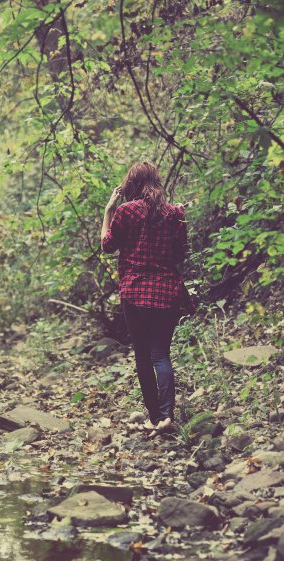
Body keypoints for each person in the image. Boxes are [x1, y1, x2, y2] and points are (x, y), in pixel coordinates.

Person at [100, 161, 196, 437]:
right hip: (167, 293)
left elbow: (107, 246)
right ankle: (167, 416)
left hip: (135, 291)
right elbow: (180, 256)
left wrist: (108, 209)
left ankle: (155, 418)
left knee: (142, 355)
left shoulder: (126, 211)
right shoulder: (176, 213)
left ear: (131, 183)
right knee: (161, 354)